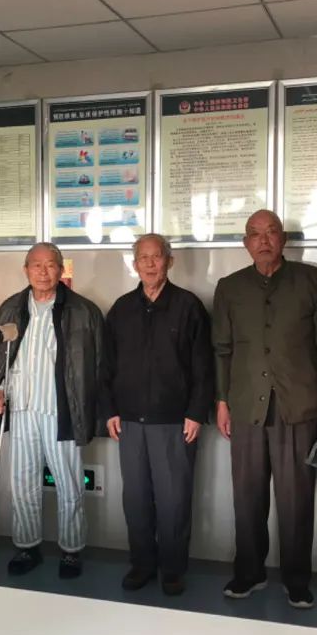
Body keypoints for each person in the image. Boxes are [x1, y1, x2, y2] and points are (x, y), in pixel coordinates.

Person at [213, 209, 317, 609]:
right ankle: (249, 572)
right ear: (246, 243)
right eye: (255, 234)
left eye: (271, 232)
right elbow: (221, 349)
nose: (264, 239)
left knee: (296, 499)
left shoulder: (312, 281)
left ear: (283, 239)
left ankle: (296, 579)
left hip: (298, 406)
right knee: (247, 497)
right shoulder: (230, 287)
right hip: (245, 406)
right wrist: (221, 401)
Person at [101, 234, 213, 596]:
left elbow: (203, 365)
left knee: (174, 500)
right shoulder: (121, 309)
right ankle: (142, 565)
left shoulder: (188, 306)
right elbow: (106, 365)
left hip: (174, 422)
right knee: (135, 499)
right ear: (135, 264)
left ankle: (173, 569)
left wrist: (196, 412)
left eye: (157, 257)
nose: (150, 264)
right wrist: (109, 410)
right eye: (143, 258)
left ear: (169, 261)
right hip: (129, 422)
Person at [0, 242, 105, 579]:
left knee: (69, 483)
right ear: (26, 270)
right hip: (21, 408)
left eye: (50, 264)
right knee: (22, 482)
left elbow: (99, 364)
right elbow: (0, 359)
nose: (43, 271)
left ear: (61, 269)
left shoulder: (83, 311)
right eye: (36, 265)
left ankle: (71, 550)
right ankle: (27, 546)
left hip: (62, 409)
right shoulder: (10, 308)